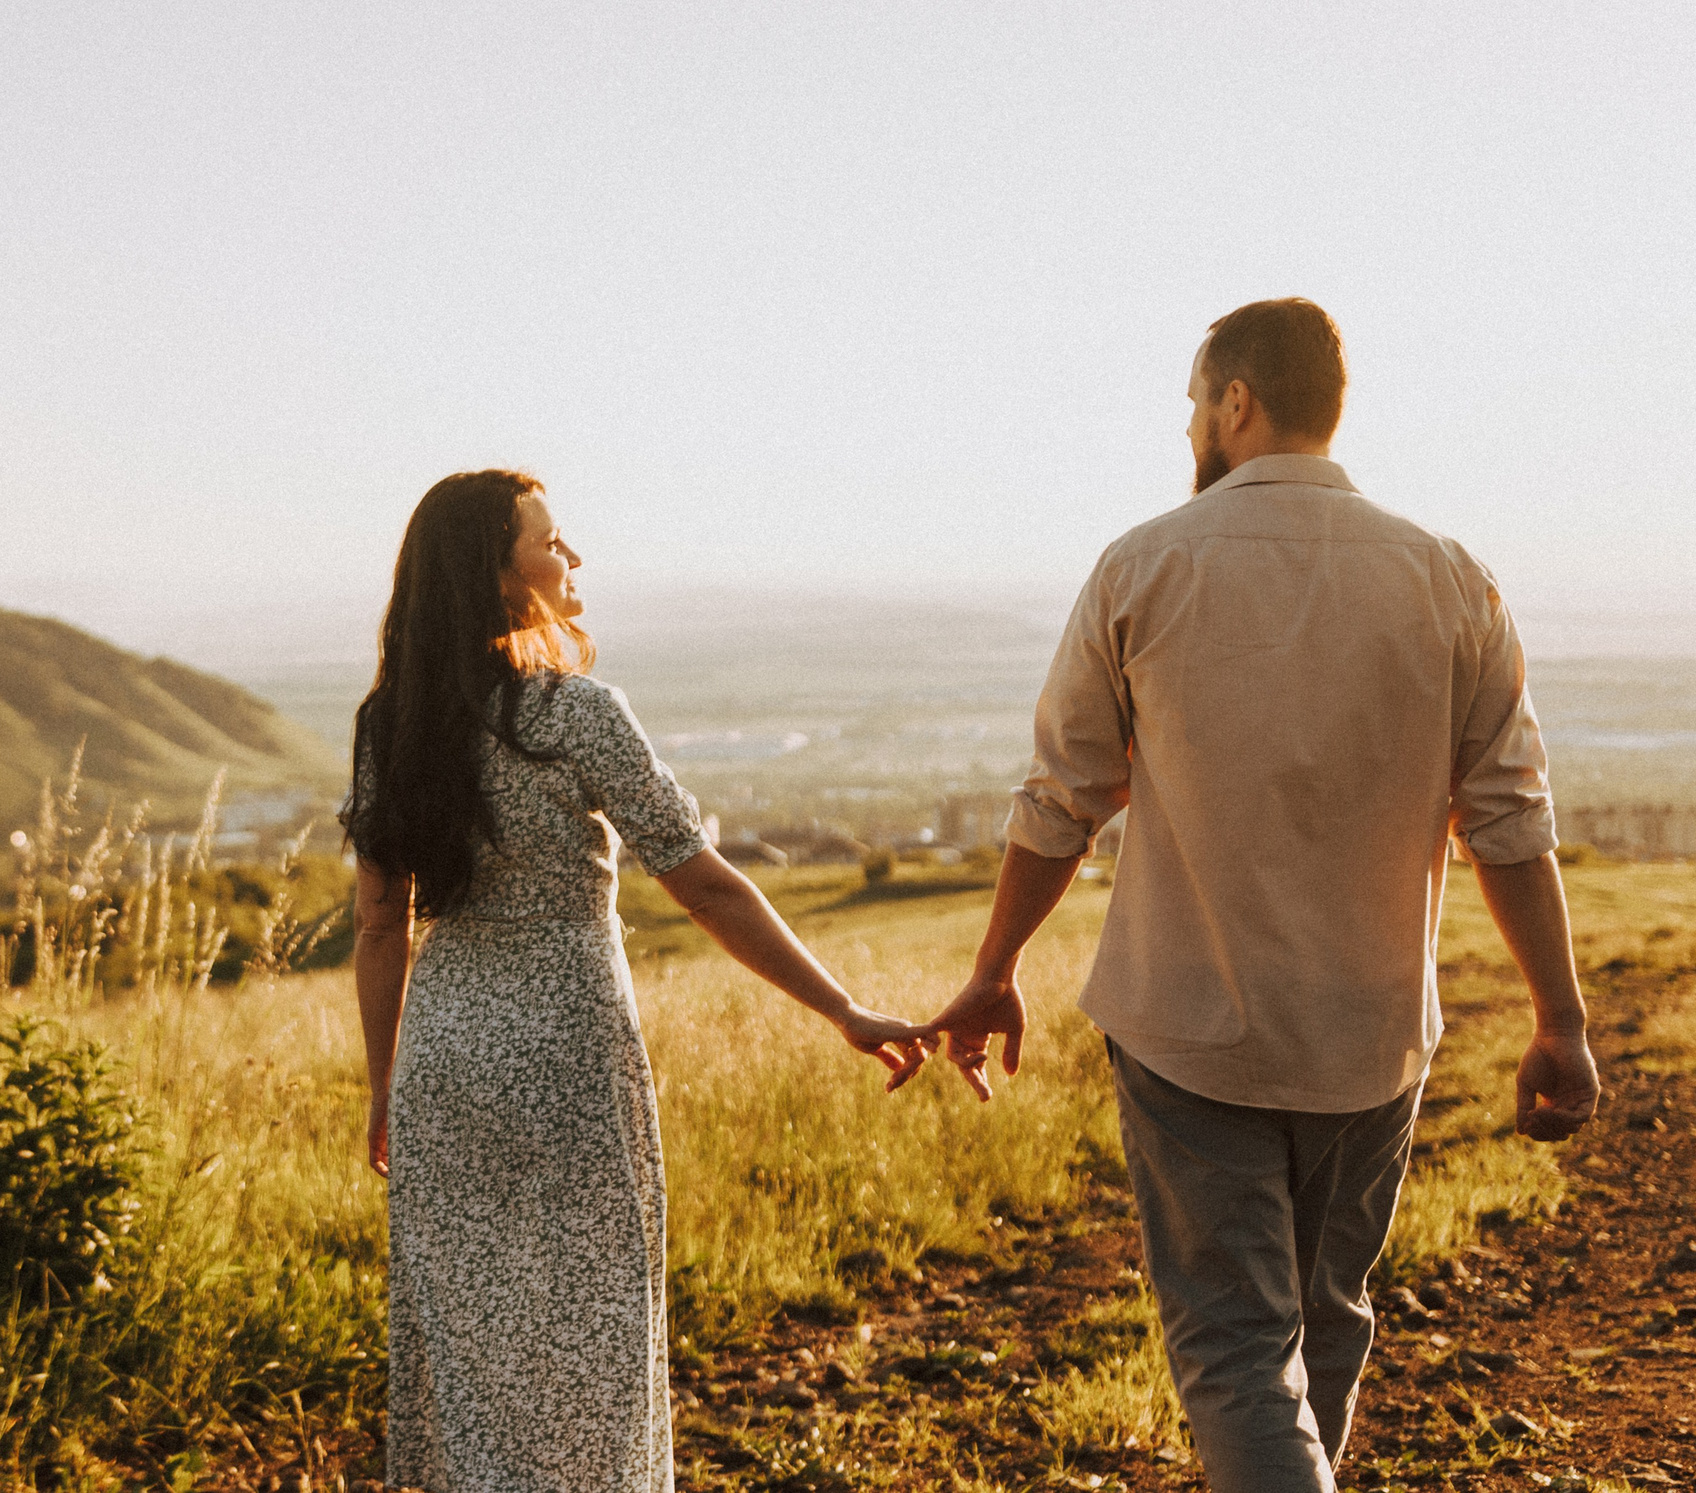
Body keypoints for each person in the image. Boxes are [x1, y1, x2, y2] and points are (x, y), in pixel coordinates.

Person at [921, 299, 1603, 1493]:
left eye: (1195, 399)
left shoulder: (1143, 565)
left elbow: (1060, 799)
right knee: (1325, 1319)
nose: (1192, 421)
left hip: (1193, 1035)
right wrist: (1561, 1019)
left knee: (1236, 1347)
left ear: (1235, 401)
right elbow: (1507, 819)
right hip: (1373, 1036)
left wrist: (994, 968)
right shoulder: (1454, 580)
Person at [343, 469, 931, 1493]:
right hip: (566, 1058)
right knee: (594, 1354)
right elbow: (705, 885)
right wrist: (840, 1005)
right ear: (495, 575)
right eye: (551, 541)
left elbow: (377, 922)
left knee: (477, 1371)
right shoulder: (577, 715)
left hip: (442, 1066)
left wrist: (385, 1080)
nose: (572, 560)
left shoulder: (387, 726)